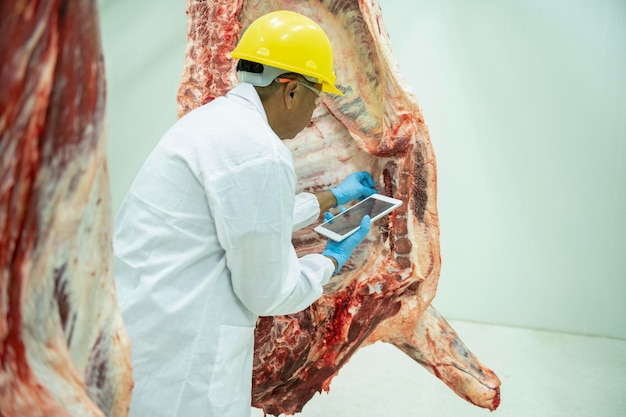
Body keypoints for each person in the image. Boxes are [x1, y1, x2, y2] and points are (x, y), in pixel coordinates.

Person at [113, 10, 377, 417]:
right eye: (316, 98)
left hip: (143, 325)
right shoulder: (260, 152)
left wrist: (331, 199)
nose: (313, 114)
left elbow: (244, 215)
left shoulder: (213, 123)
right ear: (290, 91)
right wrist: (329, 261)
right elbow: (268, 291)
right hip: (181, 356)